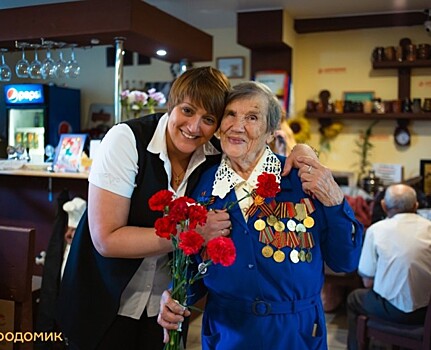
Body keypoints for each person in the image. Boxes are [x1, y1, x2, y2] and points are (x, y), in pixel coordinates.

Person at [57, 67, 318, 350]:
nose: (194, 127)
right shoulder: (127, 140)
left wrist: (303, 151)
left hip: (164, 305)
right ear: (172, 104)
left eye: (208, 119)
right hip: (104, 300)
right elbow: (106, 239)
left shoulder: (215, 154)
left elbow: (258, 149)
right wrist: (192, 233)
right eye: (187, 110)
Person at [157, 81, 364, 350]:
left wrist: (336, 202)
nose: (237, 125)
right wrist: (176, 296)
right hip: (227, 331)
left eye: (252, 117)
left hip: (295, 332)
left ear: (270, 133)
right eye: (230, 114)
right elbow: (195, 264)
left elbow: (345, 261)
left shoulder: (300, 178)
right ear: (219, 126)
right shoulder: (202, 186)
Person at [346, 184, 431, 350]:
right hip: (426, 311)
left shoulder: (376, 230)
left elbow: (367, 283)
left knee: (354, 298)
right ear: (416, 205)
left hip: (394, 310)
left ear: (384, 205)